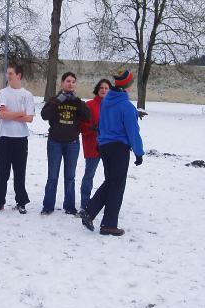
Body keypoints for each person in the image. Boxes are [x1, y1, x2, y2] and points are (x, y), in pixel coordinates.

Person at [80, 69, 144, 236]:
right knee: (116, 185)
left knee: (112, 182)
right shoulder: (126, 106)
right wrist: (138, 152)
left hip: (104, 147)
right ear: (128, 86)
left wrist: (99, 143)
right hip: (119, 148)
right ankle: (96, 216)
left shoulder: (107, 102)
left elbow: (101, 124)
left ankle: (105, 221)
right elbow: (133, 131)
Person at [40, 72, 91, 215]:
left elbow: (88, 116)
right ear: (62, 83)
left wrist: (77, 102)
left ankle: (69, 206)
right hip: (55, 143)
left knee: (70, 177)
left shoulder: (78, 102)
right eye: (68, 81)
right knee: (53, 176)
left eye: (73, 81)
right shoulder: (54, 99)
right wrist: (59, 100)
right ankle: (48, 206)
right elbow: (45, 115)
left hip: (72, 144)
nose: (70, 84)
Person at [0, 64, 35, 214]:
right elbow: (1, 115)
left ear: (19, 75)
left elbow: (29, 119)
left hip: (21, 138)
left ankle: (21, 202)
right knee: (2, 172)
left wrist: (12, 114)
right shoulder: (3, 93)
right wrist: (20, 113)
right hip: (4, 137)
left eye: (11, 73)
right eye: (7, 73)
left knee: (20, 172)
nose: (8, 76)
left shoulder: (27, 95)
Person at [78, 78, 111, 212]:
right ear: (97, 90)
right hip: (93, 145)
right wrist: (93, 128)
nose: (103, 90)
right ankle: (85, 202)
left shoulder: (112, 106)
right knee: (89, 175)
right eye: (101, 88)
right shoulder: (90, 105)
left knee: (110, 176)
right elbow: (82, 125)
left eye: (106, 88)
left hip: (109, 147)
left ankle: (108, 200)